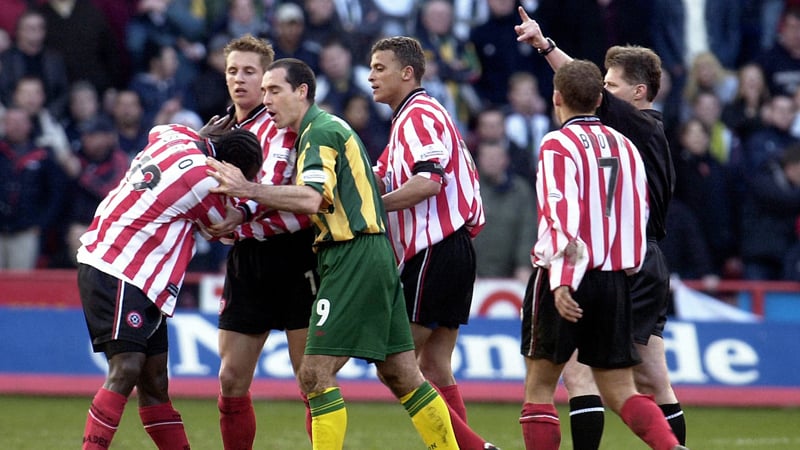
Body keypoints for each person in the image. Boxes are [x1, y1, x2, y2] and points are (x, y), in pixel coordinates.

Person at [205, 57, 460, 450]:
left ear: (302, 92)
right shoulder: (327, 128)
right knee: (401, 374)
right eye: (266, 91)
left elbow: (311, 197)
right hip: (371, 253)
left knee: (313, 373)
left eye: (275, 91)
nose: (266, 100)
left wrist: (248, 190)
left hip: (351, 255)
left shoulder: (318, 133)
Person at [515, 8, 686, 449]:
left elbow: (561, 215)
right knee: (642, 382)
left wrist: (562, 279)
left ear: (639, 92)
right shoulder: (628, 144)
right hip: (629, 264)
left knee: (561, 379)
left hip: (584, 264)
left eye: (612, 86)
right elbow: (635, 210)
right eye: (603, 87)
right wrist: (626, 266)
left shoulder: (624, 130)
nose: (605, 93)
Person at [77, 124, 263, 450]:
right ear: (230, 170)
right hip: (121, 267)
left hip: (138, 277)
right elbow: (225, 226)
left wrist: (202, 134)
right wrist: (252, 198)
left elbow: (157, 129)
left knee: (156, 384)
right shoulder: (204, 181)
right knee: (128, 367)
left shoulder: (176, 135)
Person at [369, 35, 497, 450]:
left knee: (394, 364)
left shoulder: (418, 114)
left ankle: (475, 448)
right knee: (435, 366)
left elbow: (429, 181)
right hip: (453, 249)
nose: (370, 76)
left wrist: (374, 208)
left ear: (407, 73)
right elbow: (380, 175)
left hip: (434, 250)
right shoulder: (408, 118)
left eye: (379, 68)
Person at [199, 34, 319, 449]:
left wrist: (239, 211)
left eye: (250, 72)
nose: (239, 80)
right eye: (233, 71)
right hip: (247, 256)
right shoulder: (220, 131)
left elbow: (275, 181)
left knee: (311, 377)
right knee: (231, 379)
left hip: (294, 254)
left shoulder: (280, 124)